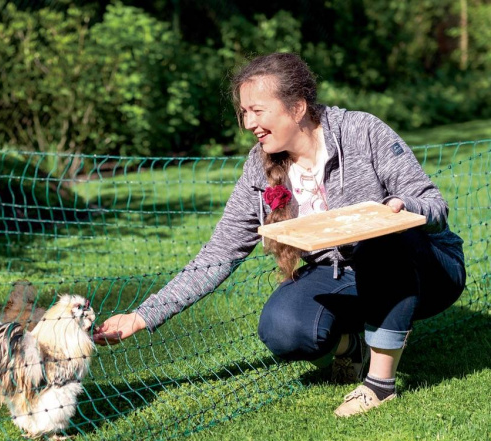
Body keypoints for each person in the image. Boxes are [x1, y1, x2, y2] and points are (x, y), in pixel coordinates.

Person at [92, 52, 466, 417]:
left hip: (426, 270)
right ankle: (352, 345)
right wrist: (141, 316)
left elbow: (433, 203)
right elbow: (219, 253)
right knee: (282, 328)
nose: (248, 123)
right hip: (342, 275)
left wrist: (401, 208)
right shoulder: (259, 167)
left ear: (298, 107)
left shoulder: (361, 131)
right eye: (243, 113)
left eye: (257, 111)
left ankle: (379, 386)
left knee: (383, 236)